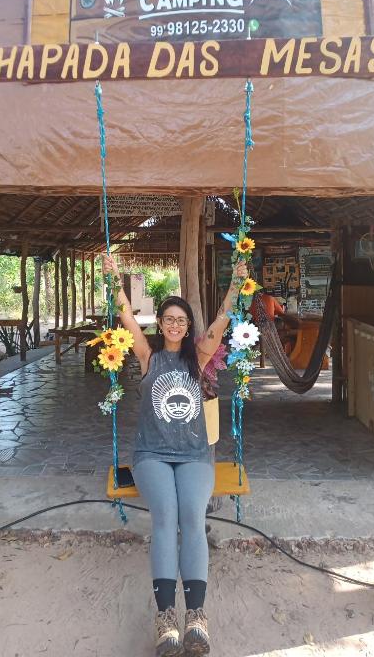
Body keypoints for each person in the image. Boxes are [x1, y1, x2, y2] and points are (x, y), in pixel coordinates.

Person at [102, 253, 247, 657]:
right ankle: (166, 617)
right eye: (169, 318)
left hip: (194, 455)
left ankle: (196, 616)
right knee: (166, 517)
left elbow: (220, 324)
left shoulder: (197, 358)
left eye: (181, 320)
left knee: (193, 518)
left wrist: (236, 285)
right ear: (161, 323)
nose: (175, 324)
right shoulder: (149, 357)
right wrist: (114, 280)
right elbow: (127, 318)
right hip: (151, 455)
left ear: (187, 327)